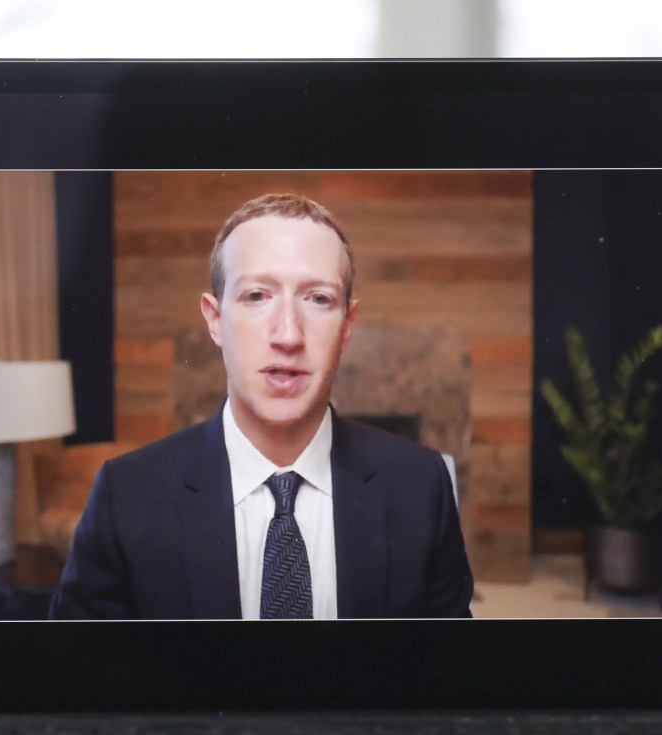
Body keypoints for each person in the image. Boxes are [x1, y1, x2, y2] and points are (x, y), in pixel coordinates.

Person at [49, 193, 473, 619]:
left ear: (347, 326)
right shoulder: (126, 495)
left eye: (318, 299)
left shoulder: (421, 486)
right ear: (215, 320)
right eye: (256, 296)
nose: (288, 335)